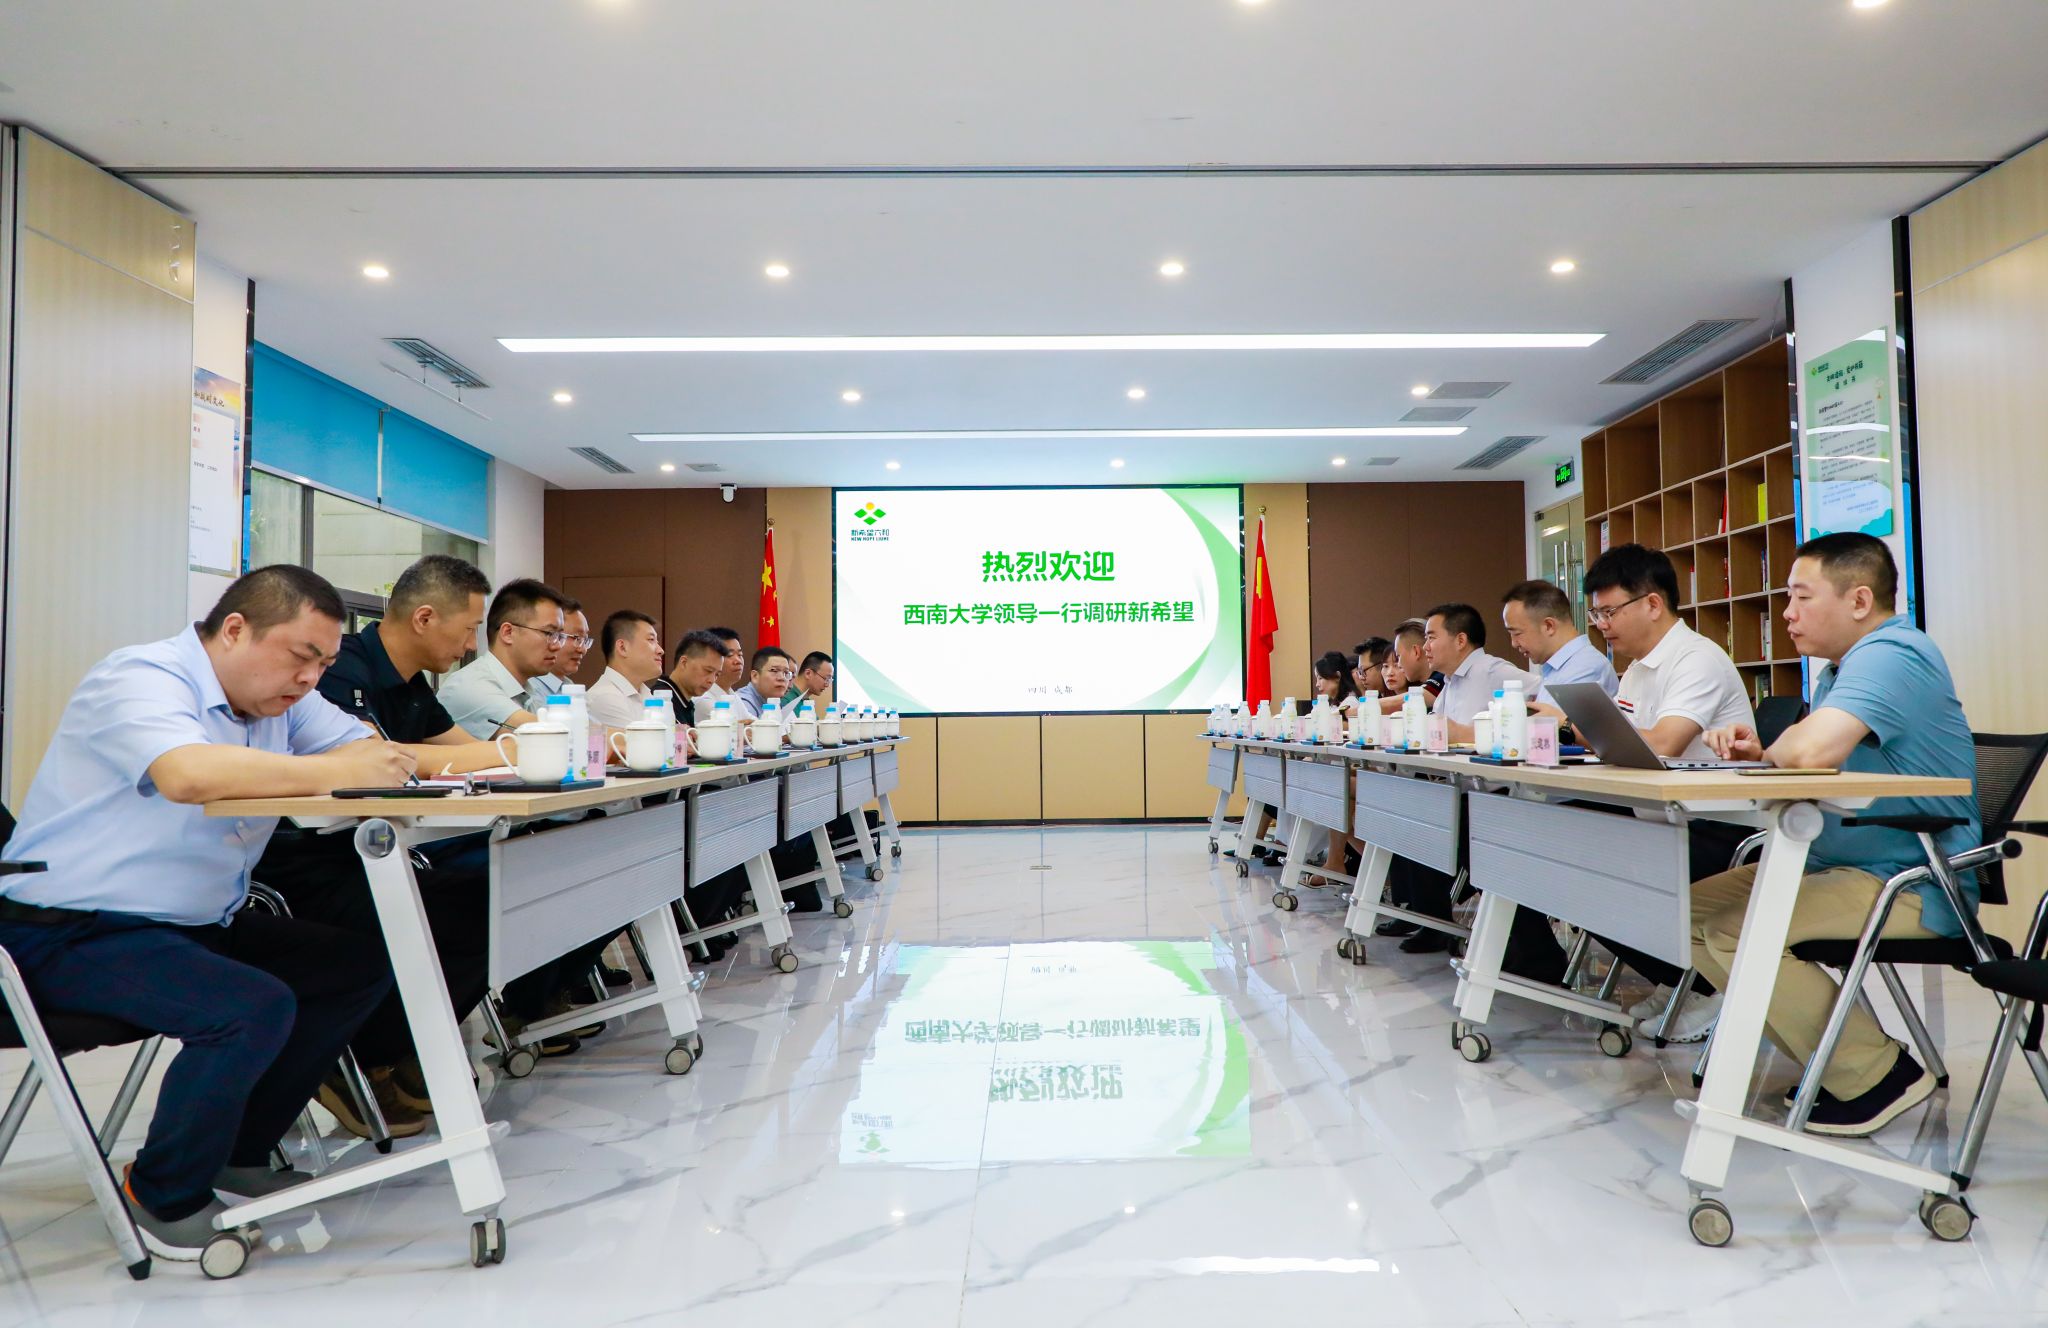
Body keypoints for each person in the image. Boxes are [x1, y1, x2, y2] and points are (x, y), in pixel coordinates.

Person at [0, 566, 402, 1259]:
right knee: (250, 1007)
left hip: (192, 925)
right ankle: (161, 1191)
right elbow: (187, 774)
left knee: (354, 965)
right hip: (69, 929)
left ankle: (238, 1151)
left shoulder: (282, 701)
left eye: (325, 665)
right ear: (236, 630)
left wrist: (358, 758)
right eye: (301, 656)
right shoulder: (141, 677)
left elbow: (368, 749)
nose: (311, 678)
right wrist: (335, 770)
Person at [1693, 533, 1975, 1136]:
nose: (1786, 613)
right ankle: (1826, 1057)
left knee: (1733, 931)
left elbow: (1811, 751)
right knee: (1684, 914)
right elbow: (1802, 753)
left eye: (1801, 597)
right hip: (1835, 866)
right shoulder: (1841, 669)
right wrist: (1767, 753)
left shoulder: (1894, 654)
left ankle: (1877, 1075)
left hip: (1911, 879)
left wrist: (1784, 749)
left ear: (1859, 600)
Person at [256, 554, 520, 1133]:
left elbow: (422, 752)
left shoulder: (408, 684)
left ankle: (398, 1050)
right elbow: (381, 762)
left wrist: (519, 751)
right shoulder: (345, 670)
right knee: (450, 907)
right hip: (300, 859)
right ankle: (362, 1058)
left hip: (365, 847)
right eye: (469, 629)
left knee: (494, 902)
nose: (470, 645)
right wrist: (508, 751)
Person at [1581, 544, 1757, 1040]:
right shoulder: (1638, 667)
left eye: (1609, 612)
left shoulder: (1696, 659)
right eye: (1596, 614)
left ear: (1653, 604)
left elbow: (1662, 745)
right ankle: (1675, 978)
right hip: (1665, 818)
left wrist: (1598, 731)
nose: (1602, 625)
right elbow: (1623, 743)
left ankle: (1707, 986)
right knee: (1571, 856)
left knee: (1595, 873)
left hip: (1719, 827)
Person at [438, 579, 566, 739]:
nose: (557, 645)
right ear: (508, 633)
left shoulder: (528, 687)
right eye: (549, 633)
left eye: (560, 636)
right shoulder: (471, 685)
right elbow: (550, 737)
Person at [1422, 603, 1540, 745]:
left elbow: (1544, 690)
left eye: (1431, 638)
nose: (1425, 647)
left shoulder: (1491, 670)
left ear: (1460, 641)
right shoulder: (1450, 679)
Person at [1499, 579, 1617, 719]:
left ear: (1549, 626)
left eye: (1517, 633)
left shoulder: (1585, 667)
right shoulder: (1558, 668)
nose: (1514, 643)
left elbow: (1548, 727)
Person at [587, 609, 666, 731]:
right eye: (651, 640)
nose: (661, 650)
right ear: (622, 647)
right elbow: (644, 742)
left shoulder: (646, 694)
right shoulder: (605, 697)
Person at [653, 629, 728, 728]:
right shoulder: (662, 699)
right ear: (684, 663)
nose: (712, 680)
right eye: (708, 671)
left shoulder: (686, 701)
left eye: (717, 674)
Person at [732, 646, 796, 720]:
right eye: (774, 670)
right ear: (755, 676)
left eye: (786, 672)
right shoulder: (743, 703)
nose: (782, 678)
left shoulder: (777, 702)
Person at [703, 627, 746, 704]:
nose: (738, 661)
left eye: (740, 654)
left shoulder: (733, 695)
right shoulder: (704, 699)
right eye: (730, 655)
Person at [789, 651, 835, 716]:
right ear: (808, 673)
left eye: (829, 680)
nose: (827, 685)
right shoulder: (787, 700)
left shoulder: (807, 703)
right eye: (826, 679)